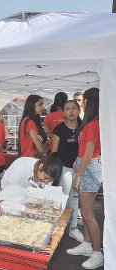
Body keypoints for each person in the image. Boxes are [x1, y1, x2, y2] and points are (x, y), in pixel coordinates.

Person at [67, 88, 103, 269]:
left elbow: (88, 155)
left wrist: (78, 175)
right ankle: (88, 245)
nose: (81, 103)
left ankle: (97, 253)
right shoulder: (92, 123)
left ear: (89, 102)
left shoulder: (93, 124)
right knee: (86, 210)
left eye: (83, 100)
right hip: (86, 166)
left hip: (88, 168)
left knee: (87, 214)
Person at [51, 100, 83, 243]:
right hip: (64, 168)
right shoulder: (58, 129)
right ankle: (57, 227)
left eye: (74, 108)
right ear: (63, 112)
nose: (71, 111)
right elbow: (54, 152)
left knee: (75, 199)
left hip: (80, 169)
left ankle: (73, 228)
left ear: (78, 110)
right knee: (63, 198)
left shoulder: (83, 128)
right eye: (67, 109)